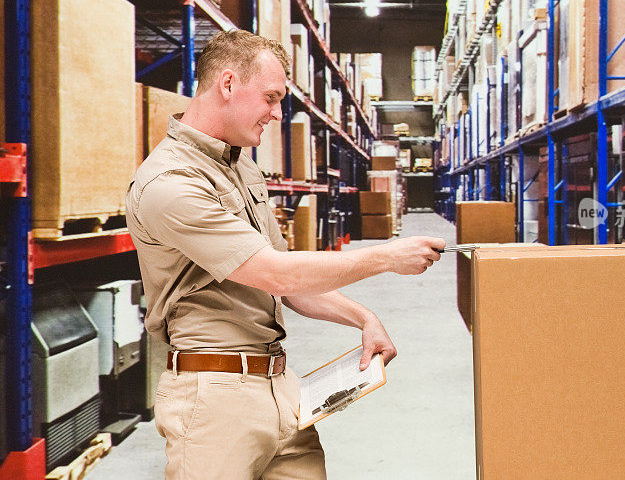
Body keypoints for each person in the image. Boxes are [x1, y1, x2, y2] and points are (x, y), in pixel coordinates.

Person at [126, 29, 445, 480]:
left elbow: (289, 288)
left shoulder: (241, 167)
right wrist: (386, 258)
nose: (277, 114)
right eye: (271, 97)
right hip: (216, 399)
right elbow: (274, 273)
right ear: (229, 83)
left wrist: (363, 318)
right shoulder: (171, 183)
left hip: (279, 386)